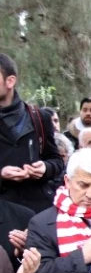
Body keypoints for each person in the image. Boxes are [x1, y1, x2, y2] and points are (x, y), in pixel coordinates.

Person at [0, 53, 64, 213]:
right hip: (4, 210)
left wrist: (45, 168)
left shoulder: (39, 117)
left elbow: (56, 161)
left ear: (10, 81)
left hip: (38, 209)